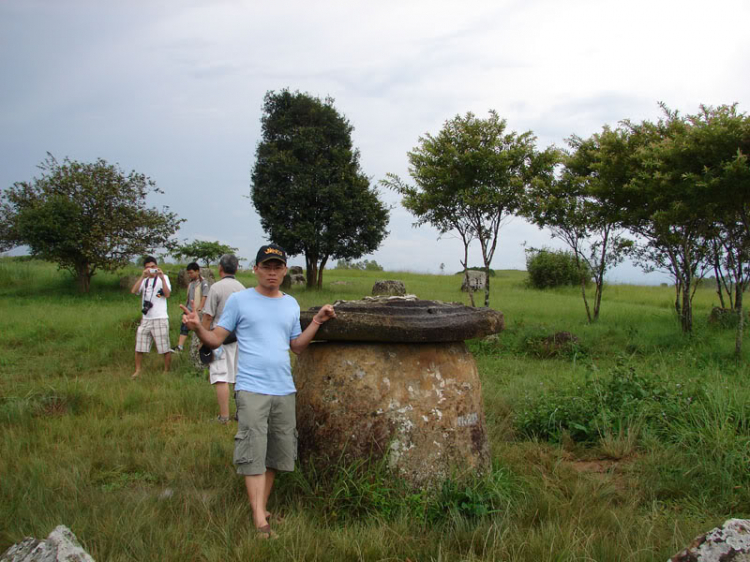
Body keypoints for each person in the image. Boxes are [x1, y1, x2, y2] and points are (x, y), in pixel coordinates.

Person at [180, 243, 335, 538]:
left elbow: (297, 347)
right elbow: (215, 339)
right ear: (256, 269)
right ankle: (259, 520)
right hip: (251, 388)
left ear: (285, 271)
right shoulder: (240, 300)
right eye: (267, 267)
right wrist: (197, 328)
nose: (272, 272)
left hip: (284, 389)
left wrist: (316, 321)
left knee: (275, 455)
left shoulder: (290, 303)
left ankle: (261, 509)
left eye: (278, 267)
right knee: (253, 453)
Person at [200, 254, 244, 423]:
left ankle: (224, 417)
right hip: (238, 339)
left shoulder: (216, 288)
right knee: (238, 377)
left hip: (218, 338)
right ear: (237, 268)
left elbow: (208, 317)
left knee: (220, 376)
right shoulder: (242, 288)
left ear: (220, 269)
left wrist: (204, 339)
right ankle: (241, 414)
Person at [131, 256, 172, 379]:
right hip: (146, 318)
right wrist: (142, 277)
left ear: (157, 267)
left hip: (160, 317)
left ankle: (166, 371)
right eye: (148, 268)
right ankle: (138, 370)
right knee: (139, 346)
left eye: (153, 267)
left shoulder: (163, 278)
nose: (151, 270)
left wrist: (162, 278)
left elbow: (167, 294)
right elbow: (134, 291)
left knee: (164, 347)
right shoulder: (144, 280)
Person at [171, 262, 209, 353]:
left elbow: (205, 296)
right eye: (188, 273)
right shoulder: (191, 283)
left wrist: (200, 308)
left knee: (199, 331)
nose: (190, 275)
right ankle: (180, 347)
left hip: (198, 311)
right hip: (188, 310)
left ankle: (201, 348)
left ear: (197, 271)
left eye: (191, 272)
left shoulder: (204, 282)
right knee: (184, 327)